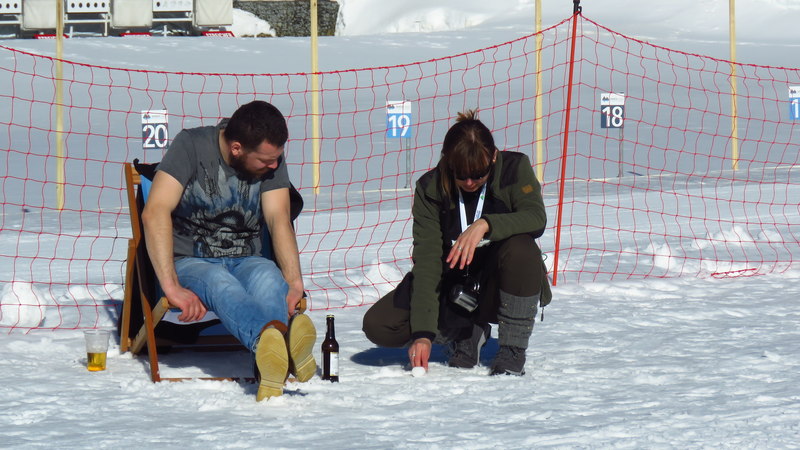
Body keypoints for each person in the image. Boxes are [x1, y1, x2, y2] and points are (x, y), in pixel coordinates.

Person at [141, 100, 316, 401]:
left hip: (247, 258)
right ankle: (276, 346)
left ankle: (274, 362)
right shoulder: (191, 146)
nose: (274, 167)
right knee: (220, 282)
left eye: (276, 159)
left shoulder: (270, 155)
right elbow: (154, 211)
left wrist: (294, 282)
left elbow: (278, 218)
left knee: (269, 278)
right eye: (266, 161)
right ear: (237, 148)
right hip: (191, 261)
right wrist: (170, 287)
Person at [362, 109, 551, 376]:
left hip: (498, 284)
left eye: (479, 174)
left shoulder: (514, 169)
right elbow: (427, 261)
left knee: (522, 248)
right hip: (452, 284)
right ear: (447, 161)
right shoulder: (430, 188)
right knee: (380, 325)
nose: (470, 182)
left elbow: (536, 217)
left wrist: (486, 224)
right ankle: (464, 332)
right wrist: (423, 334)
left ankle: (512, 350)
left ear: (493, 157)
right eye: (461, 175)